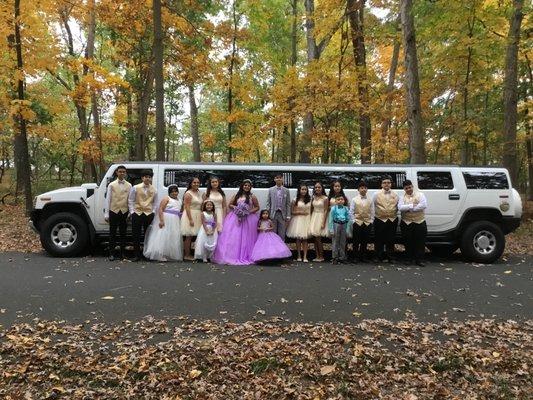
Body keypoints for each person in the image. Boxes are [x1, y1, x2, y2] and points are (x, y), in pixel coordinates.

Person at [212, 179, 260, 265]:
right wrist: (236, 208)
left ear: (250, 187)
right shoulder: (237, 195)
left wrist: (248, 212)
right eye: (245, 185)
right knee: (234, 237)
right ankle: (232, 255)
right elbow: (230, 204)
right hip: (235, 218)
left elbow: (257, 207)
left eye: (248, 186)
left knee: (247, 237)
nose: (247, 187)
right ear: (242, 186)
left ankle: (246, 255)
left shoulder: (252, 196)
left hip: (248, 219)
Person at [143, 185, 183, 262]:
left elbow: (179, 210)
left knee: (172, 236)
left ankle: (168, 253)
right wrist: (161, 220)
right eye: (172, 192)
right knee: (163, 236)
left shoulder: (179, 200)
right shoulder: (166, 198)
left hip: (175, 220)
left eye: (176, 191)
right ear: (169, 192)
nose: (174, 193)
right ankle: (159, 254)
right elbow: (161, 209)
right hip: (167, 218)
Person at [128, 170, 157, 262]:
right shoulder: (135, 188)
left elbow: (155, 203)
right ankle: (137, 255)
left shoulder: (154, 189)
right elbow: (130, 200)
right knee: (135, 235)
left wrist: (153, 212)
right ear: (142, 178)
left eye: (149, 177)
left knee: (147, 235)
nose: (147, 178)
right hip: (137, 213)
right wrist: (132, 212)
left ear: (151, 178)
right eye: (145, 176)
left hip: (149, 214)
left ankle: (146, 254)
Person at [104, 165, 131, 261]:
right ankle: (111, 253)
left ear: (125, 173)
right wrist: (106, 214)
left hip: (124, 211)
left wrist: (129, 213)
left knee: (123, 234)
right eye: (120, 171)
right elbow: (108, 200)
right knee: (112, 233)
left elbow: (130, 200)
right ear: (117, 172)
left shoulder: (129, 185)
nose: (122, 173)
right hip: (113, 211)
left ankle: (122, 253)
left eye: (123, 172)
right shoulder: (111, 185)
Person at [398, 180, 428, 266]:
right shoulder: (401, 197)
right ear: (404, 189)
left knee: (420, 242)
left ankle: (420, 260)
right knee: (407, 242)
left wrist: (408, 209)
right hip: (406, 223)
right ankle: (408, 259)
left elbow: (423, 205)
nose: (408, 189)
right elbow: (400, 207)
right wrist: (412, 206)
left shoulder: (420, 195)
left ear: (412, 186)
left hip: (420, 222)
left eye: (410, 187)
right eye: (406, 188)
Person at [372, 176, 399, 263]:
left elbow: (398, 206)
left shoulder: (396, 195)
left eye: (388, 182)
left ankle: (390, 257)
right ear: (381, 184)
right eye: (384, 183)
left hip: (392, 219)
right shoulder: (376, 194)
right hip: (379, 219)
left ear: (391, 184)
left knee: (391, 239)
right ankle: (378, 256)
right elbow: (372, 206)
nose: (386, 184)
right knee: (378, 239)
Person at [349, 181, 374, 263]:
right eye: (361, 188)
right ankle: (355, 257)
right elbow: (351, 211)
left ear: (367, 189)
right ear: (358, 189)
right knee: (356, 241)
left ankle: (363, 256)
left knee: (365, 241)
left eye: (365, 188)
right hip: (357, 222)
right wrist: (353, 221)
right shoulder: (354, 199)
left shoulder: (370, 200)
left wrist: (371, 221)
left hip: (367, 222)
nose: (363, 189)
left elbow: (372, 211)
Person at [287, 183, 312, 262]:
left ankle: (305, 256)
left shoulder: (310, 199)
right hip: (297, 220)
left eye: (305, 189)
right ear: (299, 190)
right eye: (302, 189)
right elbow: (292, 212)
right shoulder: (295, 200)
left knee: (305, 239)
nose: (304, 191)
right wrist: (301, 213)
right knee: (298, 239)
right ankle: (298, 255)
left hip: (307, 220)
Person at [181, 177, 203, 261]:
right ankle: (187, 255)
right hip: (190, 214)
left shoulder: (199, 193)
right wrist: (190, 219)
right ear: (191, 183)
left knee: (196, 235)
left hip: (198, 214)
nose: (196, 184)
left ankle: (193, 253)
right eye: (194, 182)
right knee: (189, 236)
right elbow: (186, 207)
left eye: (198, 182)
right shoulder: (188, 193)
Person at [266, 173, 291, 240]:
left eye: (280, 178)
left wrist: (288, 215)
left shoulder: (286, 190)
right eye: (277, 178)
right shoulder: (271, 190)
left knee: (282, 233)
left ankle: (282, 249)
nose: (279, 179)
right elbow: (268, 203)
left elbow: (288, 204)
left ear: (282, 179)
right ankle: (274, 249)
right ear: (275, 179)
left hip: (282, 214)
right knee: (273, 232)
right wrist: (268, 214)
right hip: (273, 214)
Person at [309, 182, 328, 262]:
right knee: (315, 238)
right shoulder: (313, 197)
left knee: (318, 238)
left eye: (319, 187)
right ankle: (317, 256)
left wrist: (323, 222)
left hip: (321, 217)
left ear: (322, 188)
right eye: (316, 187)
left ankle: (321, 256)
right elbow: (311, 208)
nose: (317, 189)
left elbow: (326, 210)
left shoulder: (325, 198)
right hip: (314, 217)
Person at [328, 194, 350, 264]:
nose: (340, 201)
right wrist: (331, 229)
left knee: (343, 242)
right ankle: (335, 257)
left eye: (342, 199)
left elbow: (348, 219)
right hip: (336, 224)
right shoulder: (333, 209)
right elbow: (330, 219)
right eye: (338, 199)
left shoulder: (346, 208)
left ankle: (342, 257)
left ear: (344, 201)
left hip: (344, 224)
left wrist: (347, 229)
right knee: (335, 241)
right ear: (335, 201)